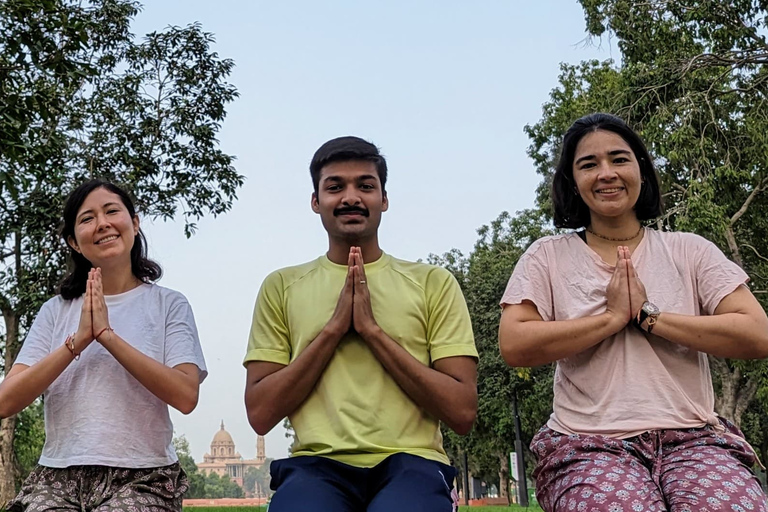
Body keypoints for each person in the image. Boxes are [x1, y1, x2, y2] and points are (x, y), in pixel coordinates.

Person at [498, 113, 768, 512]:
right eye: (589, 164)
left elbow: (757, 333)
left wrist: (648, 316)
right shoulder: (547, 256)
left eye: (619, 159)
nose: (606, 173)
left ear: (641, 169)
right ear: (573, 182)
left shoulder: (689, 250)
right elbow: (515, 343)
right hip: (589, 443)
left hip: (694, 438)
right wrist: (609, 320)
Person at [244, 136, 478, 512]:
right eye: (335, 186)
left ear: (383, 199)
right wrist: (334, 330)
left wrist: (372, 331)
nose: (351, 197)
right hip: (315, 466)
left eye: (365, 186)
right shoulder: (282, 287)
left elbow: (462, 412)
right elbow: (261, 413)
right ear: (315, 201)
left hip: (413, 463)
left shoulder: (433, 283)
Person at [0, 179, 207, 512]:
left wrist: (107, 336)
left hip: (142, 476)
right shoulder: (56, 311)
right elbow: (6, 401)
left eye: (112, 211)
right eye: (87, 218)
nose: (103, 224)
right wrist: (77, 341)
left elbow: (185, 395)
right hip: (56, 477)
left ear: (134, 223)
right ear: (74, 242)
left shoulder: (168, 304)